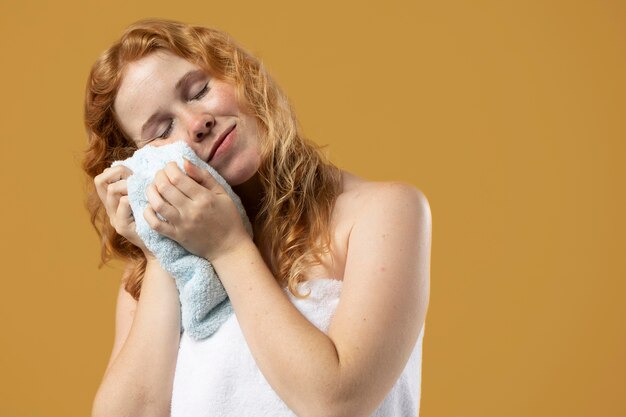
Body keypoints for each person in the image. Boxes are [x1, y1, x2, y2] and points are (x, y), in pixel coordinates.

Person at [83, 18, 431, 417]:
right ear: (141, 164)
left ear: (237, 73)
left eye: (200, 90)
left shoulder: (384, 212)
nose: (198, 123)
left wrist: (229, 248)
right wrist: (161, 251)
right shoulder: (150, 278)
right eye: (163, 130)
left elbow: (336, 403)